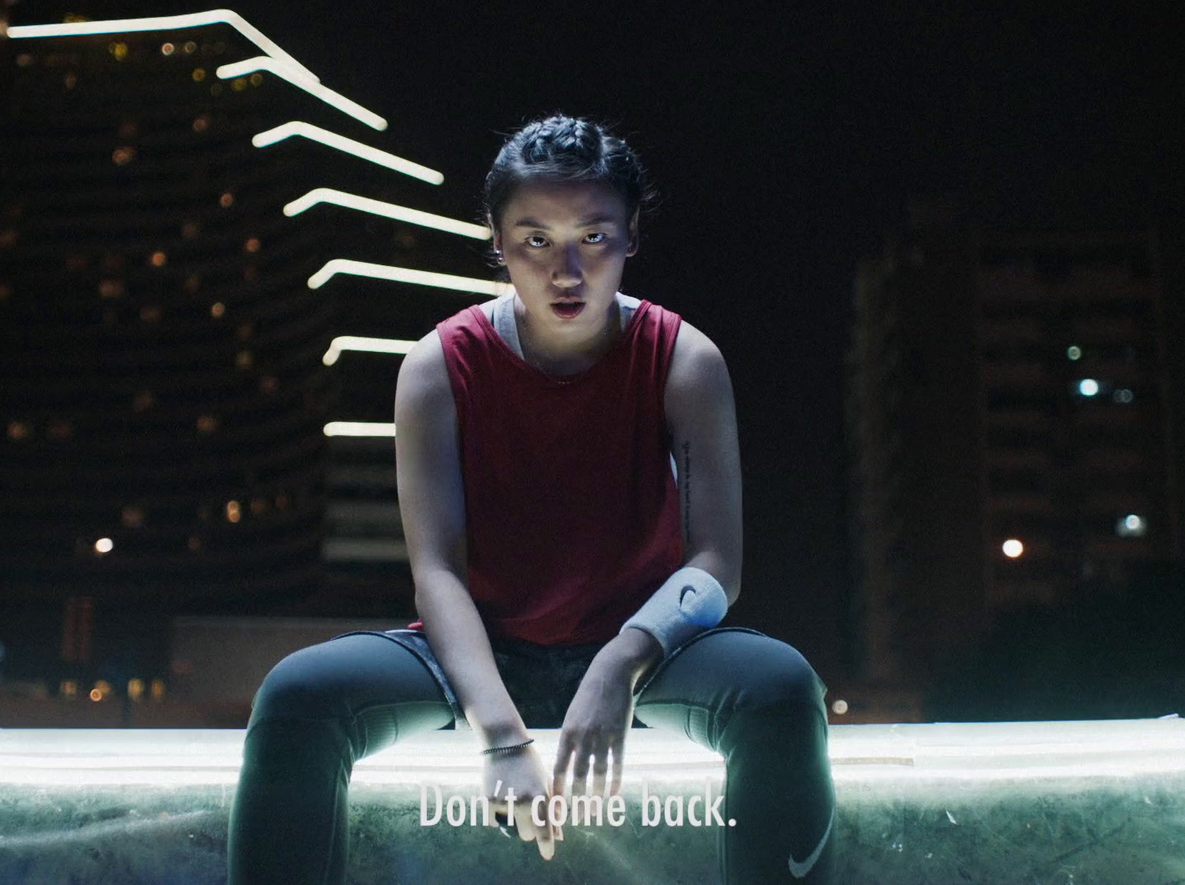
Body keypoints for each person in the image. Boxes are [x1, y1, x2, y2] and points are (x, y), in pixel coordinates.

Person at [228, 115, 836, 884]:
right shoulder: (438, 365)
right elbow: (437, 572)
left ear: (632, 235)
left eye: (593, 237)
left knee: (782, 688)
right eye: (536, 240)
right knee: (296, 695)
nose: (566, 271)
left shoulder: (683, 358)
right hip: (485, 651)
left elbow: (717, 560)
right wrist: (501, 736)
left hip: (644, 649)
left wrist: (622, 662)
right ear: (498, 239)